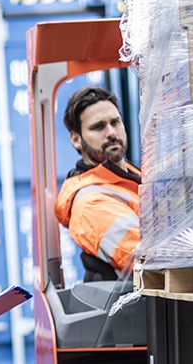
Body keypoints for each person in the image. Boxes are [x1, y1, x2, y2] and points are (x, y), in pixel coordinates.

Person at [55, 86, 141, 281]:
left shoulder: (130, 177)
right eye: (98, 127)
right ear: (76, 140)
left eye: (115, 122)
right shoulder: (90, 203)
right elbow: (148, 260)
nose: (111, 133)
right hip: (148, 309)